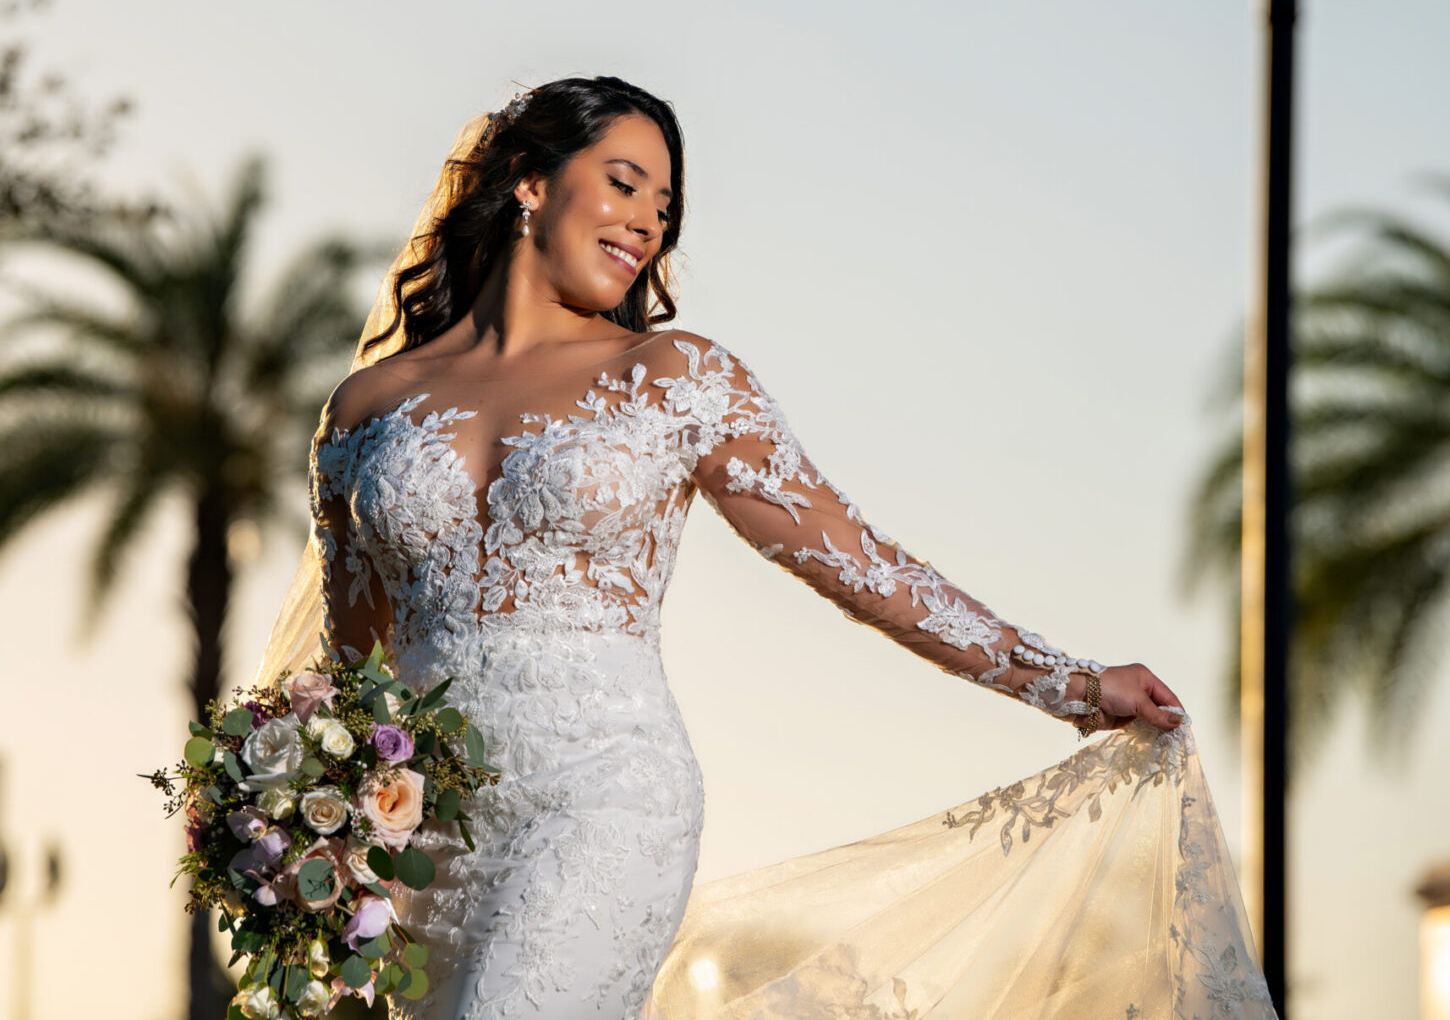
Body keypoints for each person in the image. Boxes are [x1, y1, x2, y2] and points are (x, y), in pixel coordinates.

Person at [252, 75, 1277, 1020]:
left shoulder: (675, 377)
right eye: (624, 182)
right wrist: (312, 824)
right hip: (432, 844)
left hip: (604, 797)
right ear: (529, 182)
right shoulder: (367, 409)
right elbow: (355, 676)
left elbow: (860, 564)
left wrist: (1075, 684)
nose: (649, 220)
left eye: (665, 204)